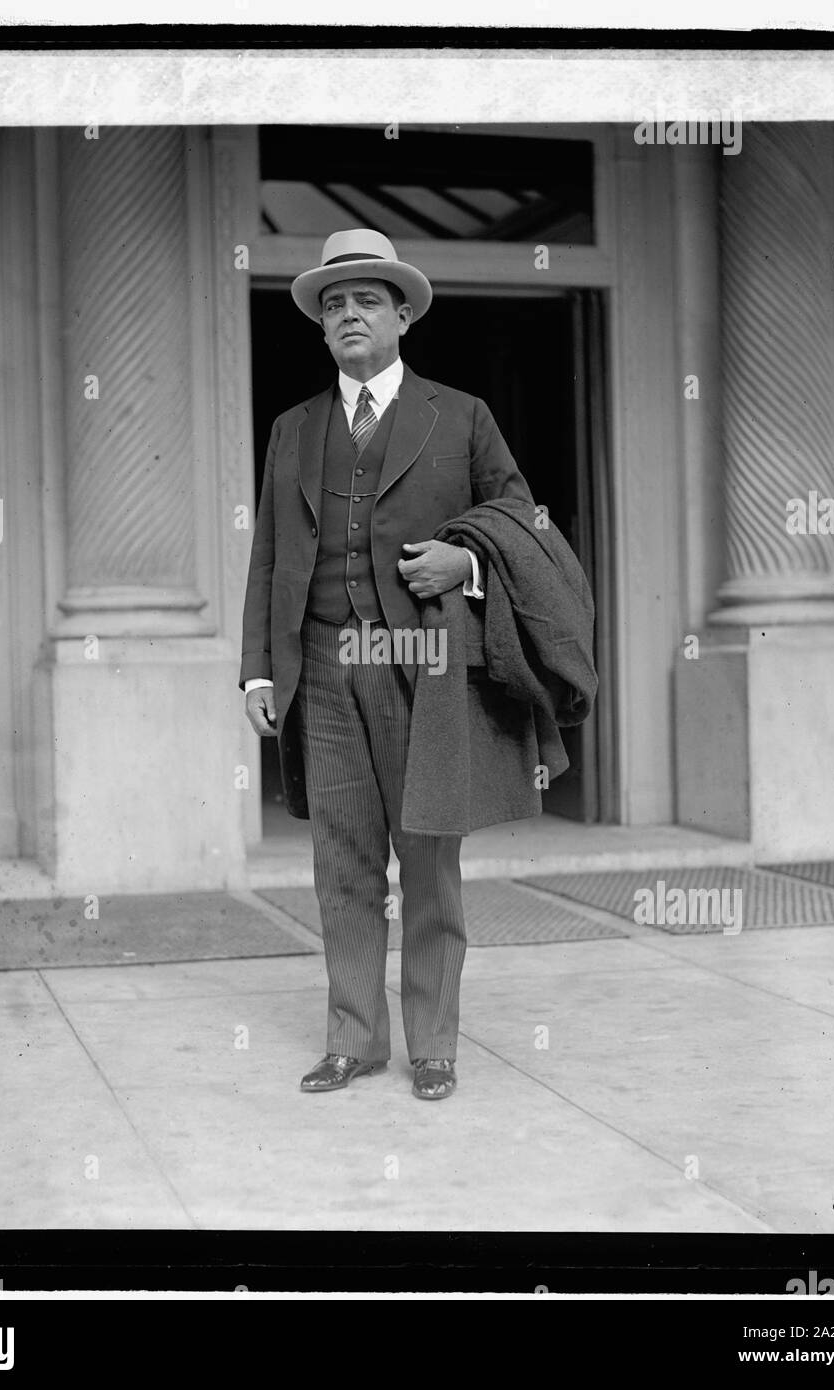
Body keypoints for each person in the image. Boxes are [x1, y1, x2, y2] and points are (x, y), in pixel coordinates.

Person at [240, 228, 533, 1101]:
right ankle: (356, 1040)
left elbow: (524, 517)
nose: (348, 314)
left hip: (422, 659)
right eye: (333, 304)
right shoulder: (293, 429)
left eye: (366, 299)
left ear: (403, 314)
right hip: (323, 664)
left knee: (430, 853)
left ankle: (434, 1044)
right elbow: (267, 556)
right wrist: (259, 671)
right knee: (341, 859)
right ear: (321, 327)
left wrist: (466, 565)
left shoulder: (462, 414)